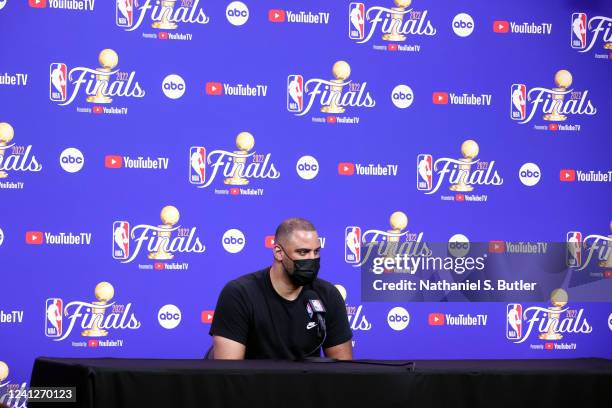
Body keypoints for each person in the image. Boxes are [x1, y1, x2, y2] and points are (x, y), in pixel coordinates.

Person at [209, 217, 353, 360]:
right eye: (303, 252)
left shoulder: (327, 294)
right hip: (252, 382)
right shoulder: (239, 294)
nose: (311, 259)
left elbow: (342, 371)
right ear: (279, 252)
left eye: (316, 252)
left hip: (305, 382)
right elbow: (228, 373)